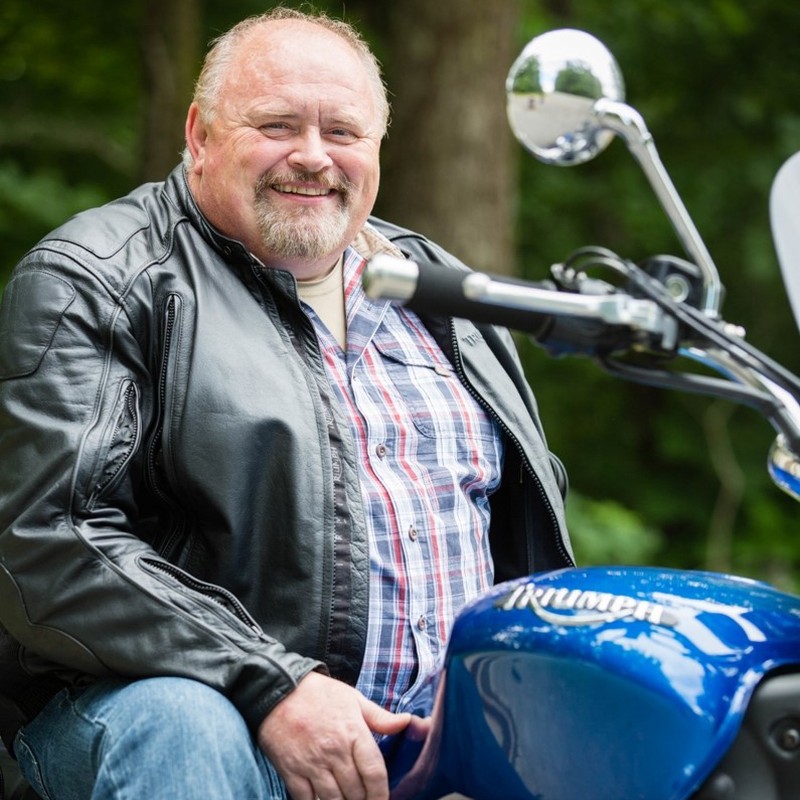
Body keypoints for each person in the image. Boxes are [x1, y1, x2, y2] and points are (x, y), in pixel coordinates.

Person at [0, 7, 573, 800]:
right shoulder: (95, 278)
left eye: (343, 131)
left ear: (377, 148)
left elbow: (523, 533)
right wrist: (274, 684)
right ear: (199, 135)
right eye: (276, 125)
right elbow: (49, 542)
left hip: (446, 735)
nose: (312, 156)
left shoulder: (442, 291)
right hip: (196, 719)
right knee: (182, 721)